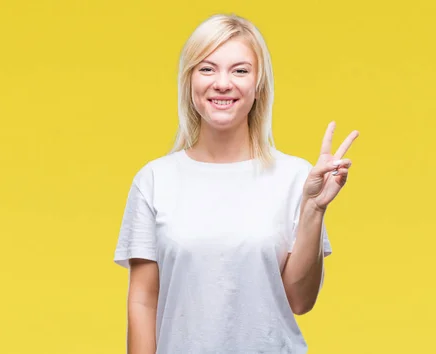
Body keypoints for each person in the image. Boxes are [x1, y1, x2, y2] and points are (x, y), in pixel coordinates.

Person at [113, 13, 359, 354]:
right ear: (189, 82)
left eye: (240, 70)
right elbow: (142, 302)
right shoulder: (154, 180)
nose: (223, 83)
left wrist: (314, 209)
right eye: (207, 68)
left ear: (259, 86)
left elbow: (300, 301)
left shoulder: (295, 178)